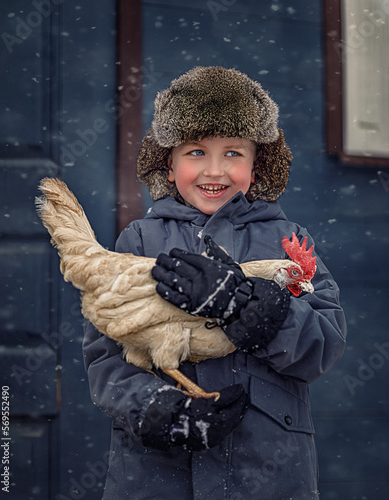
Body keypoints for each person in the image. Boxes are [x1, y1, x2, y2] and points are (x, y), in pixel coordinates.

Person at [83, 66, 346, 499]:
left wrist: (252, 308)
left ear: (258, 164)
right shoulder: (140, 240)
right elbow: (106, 355)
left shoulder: (288, 241)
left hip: (269, 472)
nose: (215, 170)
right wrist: (156, 409)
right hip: (157, 475)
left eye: (233, 153)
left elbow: (323, 345)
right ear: (168, 164)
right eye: (196, 152)